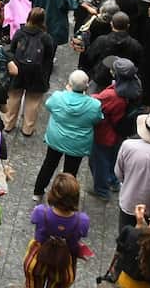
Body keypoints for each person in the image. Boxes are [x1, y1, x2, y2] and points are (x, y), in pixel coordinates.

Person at [33, 70, 103, 198]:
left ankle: (38, 191)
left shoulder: (58, 97)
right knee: (71, 172)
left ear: (69, 84)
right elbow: (97, 119)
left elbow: (49, 106)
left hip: (56, 138)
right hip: (77, 143)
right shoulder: (94, 105)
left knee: (49, 164)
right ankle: (64, 196)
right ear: (87, 86)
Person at [24, 174, 90, 288]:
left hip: (38, 256)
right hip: (64, 261)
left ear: (53, 194)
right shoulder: (82, 220)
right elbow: (80, 236)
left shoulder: (40, 212)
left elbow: (33, 221)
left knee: (33, 282)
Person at [89, 58, 139, 200]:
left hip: (104, 134)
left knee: (99, 161)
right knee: (113, 158)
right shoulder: (135, 86)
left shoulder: (112, 95)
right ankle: (114, 181)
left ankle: (101, 191)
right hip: (120, 132)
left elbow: (95, 103)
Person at [3, 8, 57, 136]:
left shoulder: (20, 32)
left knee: (13, 97)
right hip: (37, 74)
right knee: (33, 102)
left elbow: (11, 50)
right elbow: (49, 58)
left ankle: (8, 124)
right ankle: (28, 128)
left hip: (18, 70)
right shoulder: (46, 38)